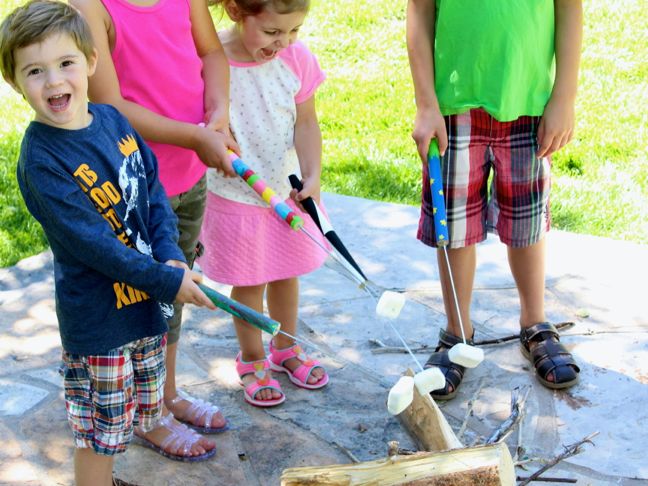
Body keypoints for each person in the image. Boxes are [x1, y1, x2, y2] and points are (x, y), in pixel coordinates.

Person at [0, 0, 220, 482]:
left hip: (143, 307)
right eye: (35, 71)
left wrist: (169, 253)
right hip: (99, 324)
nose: (55, 82)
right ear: (16, 84)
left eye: (66, 64)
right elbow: (93, 246)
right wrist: (165, 278)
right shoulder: (40, 161)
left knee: (139, 410)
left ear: (91, 63)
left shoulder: (112, 120)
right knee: (102, 433)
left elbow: (152, 192)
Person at [70, 0, 239, 445]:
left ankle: (164, 395)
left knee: (175, 293)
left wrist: (218, 116)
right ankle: (148, 417)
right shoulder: (91, 7)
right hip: (135, 189)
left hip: (189, 176)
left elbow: (211, 54)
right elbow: (111, 106)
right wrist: (196, 135)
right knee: (142, 301)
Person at [406, 0, 582, 399]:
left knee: (526, 221)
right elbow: (419, 12)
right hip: (453, 106)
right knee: (455, 226)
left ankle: (535, 323)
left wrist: (564, 97)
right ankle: (457, 334)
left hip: (529, 103)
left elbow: (570, 9)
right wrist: (426, 104)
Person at [198, 0, 329, 407]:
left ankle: (286, 348)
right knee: (250, 281)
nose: (284, 42)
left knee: (287, 273)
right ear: (237, 11)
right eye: (273, 32)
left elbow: (306, 122)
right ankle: (253, 359)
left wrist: (313, 175)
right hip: (236, 196)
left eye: (293, 31)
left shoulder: (297, 59)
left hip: (284, 189)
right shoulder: (212, 60)